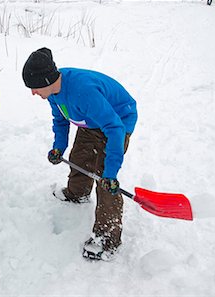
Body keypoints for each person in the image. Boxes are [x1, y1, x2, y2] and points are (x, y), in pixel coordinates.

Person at [22, 48, 138, 261]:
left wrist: (111, 173)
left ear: (47, 80)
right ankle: (78, 193)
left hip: (117, 122)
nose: (33, 92)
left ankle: (107, 239)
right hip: (91, 121)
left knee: (105, 183)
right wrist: (59, 147)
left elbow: (115, 129)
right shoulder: (53, 93)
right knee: (79, 158)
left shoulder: (83, 93)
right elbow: (60, 120)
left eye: (35, 87)